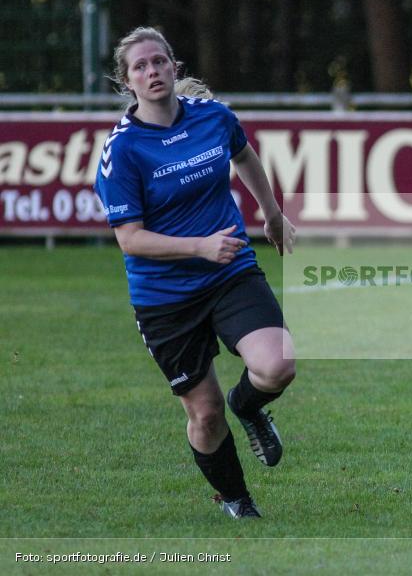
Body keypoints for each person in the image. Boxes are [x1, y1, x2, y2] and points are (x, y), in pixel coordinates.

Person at [93, 26, 297, 519]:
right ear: (129, 82)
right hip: (165, 297)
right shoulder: (121, 151)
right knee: (204, 414)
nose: (152, 71)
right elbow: (130, 238)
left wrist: (270, 213)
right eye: (140, 67)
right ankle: (237, 500)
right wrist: (198, 246)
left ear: (174, 67)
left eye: (159, 61)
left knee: (277, 365)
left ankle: (247, 405)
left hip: (229, 272)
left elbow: (243, 153)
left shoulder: (213, 118)